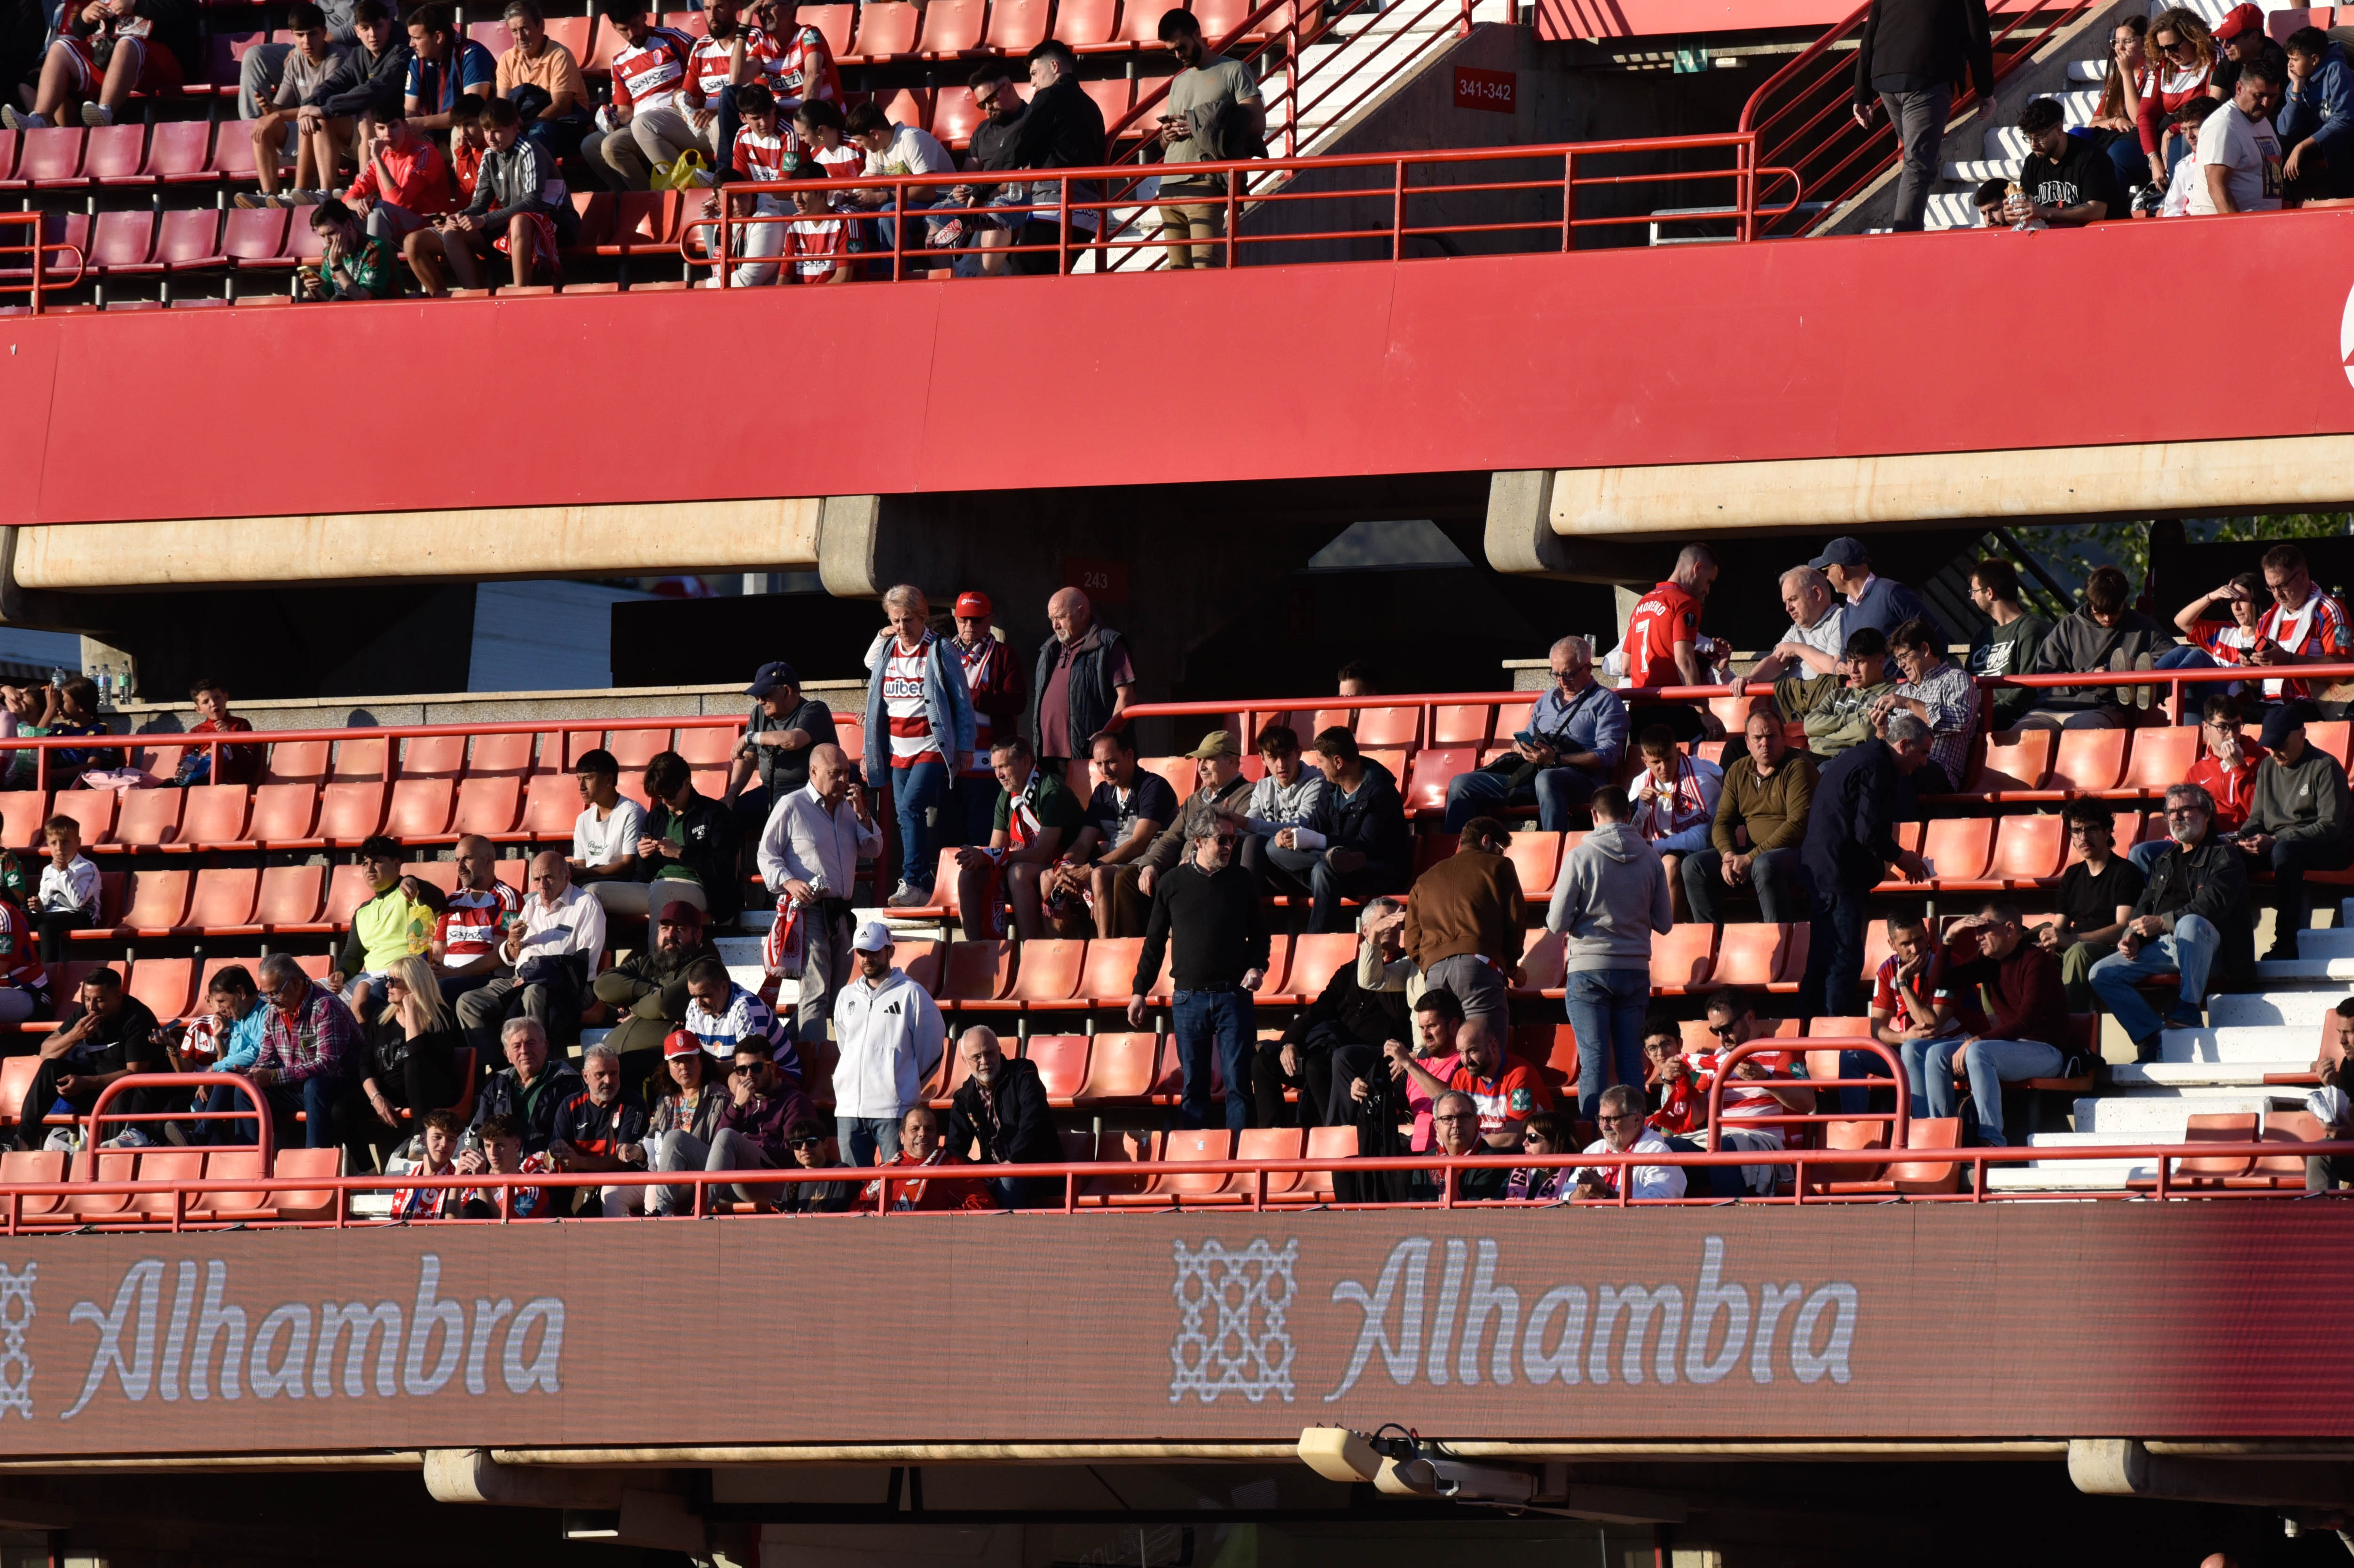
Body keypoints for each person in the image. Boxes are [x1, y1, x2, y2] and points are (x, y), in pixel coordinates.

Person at [2090, 782, 2254, 1058]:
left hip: (2213, 951)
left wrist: (2163, 922)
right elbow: (2142, 908)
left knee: (2190, 922)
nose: (2176, 816)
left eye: (2186, 810)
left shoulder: (2224, 855)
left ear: (2206, 814)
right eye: (2171, 811)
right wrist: (2131, 936)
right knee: (2101, 974)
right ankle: (2153, 1037)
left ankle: (2189, 1009)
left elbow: (2210, 906)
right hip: (2165, 947)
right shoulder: (2165, 860)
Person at [1130, 809, 1268, 1132]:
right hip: (1188, 1000)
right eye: (1222, 839)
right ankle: (1196, 1164)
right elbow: (1154, 944)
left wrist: (1257, 967)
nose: (1229, 846)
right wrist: (1140, 991)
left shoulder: (1241, 880)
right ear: (1198, 841)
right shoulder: (1172, 883)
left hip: (1233, 996)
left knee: (1239, 1086)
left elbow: (1261, 935)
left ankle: (1241, 1159)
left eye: (1233, 839)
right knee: (1194, 1088)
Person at [1796, 712, 1934, 1019]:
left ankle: (1806, 1042)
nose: (1924, 762)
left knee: (1821, 958)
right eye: (1922, 752)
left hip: (1824, 870)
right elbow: (1868, 832)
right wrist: (1902, 857)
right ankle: (1834, 1038)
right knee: (1842, 959)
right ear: (1903, 744)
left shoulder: (1861, 756)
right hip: (1838, 876)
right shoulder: (1878, 767)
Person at [1547, 785, 1671, 1121]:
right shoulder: (1651, 858)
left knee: (1595, 1061)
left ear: (1593, 815)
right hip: (1634, 969)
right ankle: (1637, 1137)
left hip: (1589, 968)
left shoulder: (1580, 856)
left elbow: (1556, 922)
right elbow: (1665, 923)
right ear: (1628, 815)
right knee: (1632, 1059)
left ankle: (1592, 1138)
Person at [1909, 905, 2072, 1146]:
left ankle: (1992, 1140)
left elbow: (2025, 1023)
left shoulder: (2036, 960)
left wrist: (1976, 1040)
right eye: (1976, 931)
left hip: (2048, 1051)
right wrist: (1950, 935)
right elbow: (1940, 981)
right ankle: (1941, 1139)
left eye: (1984, 930)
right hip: (2008, 1047)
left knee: (1978, 1051)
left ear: (2009, 930)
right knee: (1935, 1053)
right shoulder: (1989, 961)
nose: (1978, 937)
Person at [757, 742, 881, 1044]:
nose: (842, 780)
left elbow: (874, 849)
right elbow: (765, 854)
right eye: (834, 773)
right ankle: (811, 1069)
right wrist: (788, 882)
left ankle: (781, 1050)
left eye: (846, 773)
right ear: (814, 772)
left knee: (837, 996)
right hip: (807, 911)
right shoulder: (792, 805)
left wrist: (863, 814)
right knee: (816, 994)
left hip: (841, 912)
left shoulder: (851, 809)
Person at [861, 585, 976, 909]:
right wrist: (886, 630)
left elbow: (961, 702)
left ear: (923, 617)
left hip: (931, 745)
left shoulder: (940, 649)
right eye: (896, 620)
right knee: (903, 814)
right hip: (898, 748)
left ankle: (912, 880)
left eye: (908, 620)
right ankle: (923, 881)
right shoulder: (887, 648)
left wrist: (964, 747)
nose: (902, 627)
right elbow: (869, 661)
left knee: (911, 808)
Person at [1252, 897, 1410, 1129]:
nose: (1391, 928)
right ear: (1366, 930)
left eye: (1396, 924)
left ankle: (1334, 1137)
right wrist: (1289, 1043)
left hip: (1370, 1058)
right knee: (1263, 1061)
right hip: (1334, 1050)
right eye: (1384, 922)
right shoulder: (1348, 972)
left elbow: (1399, 1016)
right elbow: (1318, 1010)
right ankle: (1274, 1137)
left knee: (1319, 1067)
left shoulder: (1408, 967)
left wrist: (1379, 969)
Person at [1442, 635, 1627, 831]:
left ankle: (1553, 848)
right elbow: (1525, 737)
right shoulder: (1546, 700)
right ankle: (1457, 857)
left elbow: (1609, 755)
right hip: (1532, 773)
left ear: (1588, 669)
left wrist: (1557, 759)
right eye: (1556, 675)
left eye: (1569, 674)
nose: (1562, 682)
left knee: (1547, 779)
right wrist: (1522, 748)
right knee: (1461, 784)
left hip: (1580, 779)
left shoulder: (1606, 702)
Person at [1849, 0, 1993, 229]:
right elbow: (1977, 33)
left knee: (1918, 156)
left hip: (1887, 79)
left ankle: (1909, 225)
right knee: (1918, 165)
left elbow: (1870, 34)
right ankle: (1904, 239)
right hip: (1927, 78)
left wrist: (1862, 95)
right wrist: (1985, 90)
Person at [454, 850, 604, 1061]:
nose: (542, 886)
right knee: (469, 1002)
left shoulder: (585, 905)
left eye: (549, 877)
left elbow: (583, 964)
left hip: (565, 984)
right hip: (521, 978)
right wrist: (513, 941)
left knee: (534, 992)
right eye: (536, 879)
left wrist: (536, 975)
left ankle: (537, 1066)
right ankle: (503, 1070)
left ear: (567, 876)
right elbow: (513, 956)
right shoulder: (532, 904)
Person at [404, 94, 562, 293]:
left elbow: (532, 203)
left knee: (520, 221)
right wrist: (461, 216)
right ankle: (477, 297)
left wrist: (484, 220)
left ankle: (521, 295)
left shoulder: (529, 149)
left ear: (514, 127)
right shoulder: (490, 155)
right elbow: (479, 202)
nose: (490, 138)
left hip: (553, 224)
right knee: (453, 232)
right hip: (507, 225)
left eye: (497, 132)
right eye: (487, 131)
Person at [2234, 699, 2353, 959]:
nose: (2275, 754)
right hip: (2281, 844)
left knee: (2284, 853)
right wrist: (2244, 838)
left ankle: (2286, 943)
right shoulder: (2268, 767)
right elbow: (2257, 817)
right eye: (2270, 747)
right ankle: (2233, 949)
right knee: (2229, 858)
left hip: (2327, 847)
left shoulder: (2325, 767)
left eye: (2282, 746)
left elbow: (2329, 826)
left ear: (2302, 735)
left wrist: (2275, 839)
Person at [1106, 732, 1251, 938]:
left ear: (1233, 761)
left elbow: (1231, 842)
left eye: (1209, 760)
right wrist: (1151, 865)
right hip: (1180, 872)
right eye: (1200, 760)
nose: (1201, 766)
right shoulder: (1195, 800)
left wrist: (1195, 861)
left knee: (1183, 880)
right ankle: (1131, 950)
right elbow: (1171, 838)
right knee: (1128, 878)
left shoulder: (1249, 795)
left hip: (1214, 875)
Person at [1150, 7, 1262, 267]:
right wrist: (1167, 135)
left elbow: (1255, 124)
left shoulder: (1234, 70)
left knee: (1206, 272)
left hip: (1205, 184)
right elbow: (1166, 144)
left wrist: (1200, 125)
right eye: (1172, 51)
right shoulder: (1179, 82)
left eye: (1182, 47)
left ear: (1198, 35)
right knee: (1177, 278)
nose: (1179, 55)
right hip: (1169, 186)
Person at [1684, 709, 1815, 928]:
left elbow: (1797, 825)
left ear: (1783, 738)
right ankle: (1712, 944)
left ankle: (1778, 941)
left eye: (1771, 736)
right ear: (1747, 742)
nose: (1765, 743)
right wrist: (1728, 856)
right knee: (1693, 865)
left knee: (1764, 865)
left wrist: (1751, 858)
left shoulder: (1798, 768)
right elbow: (1722, 821)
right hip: (1755, 854)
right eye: (1758, 738)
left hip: (1799, 854)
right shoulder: (1738, 771)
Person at [11, 967, 166, 1151]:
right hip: (94, 1086)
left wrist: (86, 1082)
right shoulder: (84, 1014)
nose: (92, 1007)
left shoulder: (137, 1018)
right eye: (87, 999)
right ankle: (22, 1140)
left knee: (121, 1088)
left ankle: (111, 1152)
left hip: (132, 1095)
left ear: (118, 996)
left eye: (100, 1000)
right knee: (51, 1067)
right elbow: (46, 1053)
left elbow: (134, 1074)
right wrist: (75, 1035)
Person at [831, 919, 945, 1167]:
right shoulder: (846, 996)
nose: (867, 958)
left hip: (894, 1112)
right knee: (854, 1191)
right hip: (849, 1110)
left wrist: (902, 1085)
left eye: (874, 951)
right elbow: (847, 1047)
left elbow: (933, 1051)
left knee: (894, 1186)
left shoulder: (911, 994)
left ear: (890, 951)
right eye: (861, 952)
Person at [331, 953, 461, 1172]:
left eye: (394, 981)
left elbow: (418, 1057)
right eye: (386, 980)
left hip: (430, 1090)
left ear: (414, 984)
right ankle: (368, 1170)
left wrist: (411, 1011)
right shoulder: (382, 1016)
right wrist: (376, 1097)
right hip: (390, 1091)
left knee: (413, 1066)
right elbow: (366, 1062)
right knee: (340, 1110)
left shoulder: (441, 1017)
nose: (387, 986)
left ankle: (420, 1134)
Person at [1044, 728, 1175, 937]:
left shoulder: (1153, 786)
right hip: (1113, 863)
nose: (1105, 770)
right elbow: (1083, 844)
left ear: (1130, 756)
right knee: (1049, 877)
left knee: (1099, 874)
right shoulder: (1102, 792)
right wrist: (1066, 866)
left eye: (1111, 761)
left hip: (1145, 863)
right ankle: (1064, 953)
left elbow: (1139, 844)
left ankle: (1103, 946)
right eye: (1099, 764)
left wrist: (1091, 867)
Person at [955, 735, 1083, 940]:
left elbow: (1043, 854)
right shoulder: (1007, 794)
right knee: (970, 873)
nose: (999, 775)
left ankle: (1030, 949)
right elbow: (996, 846)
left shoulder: (1052, 792)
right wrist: (978, 857)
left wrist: (989, 856)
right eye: (995, 768)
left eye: (1004, 766)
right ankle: (979, 950)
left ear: (1025, 762)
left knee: (1018, 873)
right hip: (1030, 864)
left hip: (1060, 866)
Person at [1403, 816, 1523, 1031]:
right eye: (1500, 849)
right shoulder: (1500, 865)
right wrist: (1512, 967)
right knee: (1486, 1049)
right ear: (1486, 841)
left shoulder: (1424, 879)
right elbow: (1515, 919)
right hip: (1478, 964)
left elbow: (1412, 942)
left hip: (1434, 972)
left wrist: (1432, 961)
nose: (1502, 854)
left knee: (1446, 1053)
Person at [665, 1037, 812, 1212]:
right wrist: (737, 1107)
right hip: (733, 1181)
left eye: (756, 1068)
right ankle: (661, 1213)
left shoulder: (794, 1100)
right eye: (742, 1070)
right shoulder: (741, 1098)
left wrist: (747, 1145)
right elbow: (716, 1145)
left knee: (729, 1137)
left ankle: (700, 1212)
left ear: (771, 1068)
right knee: (675, 1138)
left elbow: (794, 1154)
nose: (749, 1075)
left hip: (773, 1182)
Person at [2019, 566, 2173, 731]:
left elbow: (2173, 658)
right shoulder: (2068, 627)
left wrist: (2133, 670)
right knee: (2020, 737)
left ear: (2124, 602)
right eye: (2100, 612)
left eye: (2114, 611)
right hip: (2048, 709)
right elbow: (2045, 679)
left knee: (2086, 735)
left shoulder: (2144, 627)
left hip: (2101, 709)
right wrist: (2089, 678)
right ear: (2090, 603)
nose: (2107, 618)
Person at [1695, 988, 1816, 1195]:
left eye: (1728, 1028)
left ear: (1750, 1018)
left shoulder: (1782, 1051)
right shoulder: (1718, 1057)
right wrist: (1671, 1081)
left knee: (1723, 1149)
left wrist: (1767, 1080)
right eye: (1716, 1031)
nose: (1723, 1038)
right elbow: (1697, 1115)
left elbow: (1808, 1103)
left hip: (1771, 1153)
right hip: (1724, 1144)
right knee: (1670, 1148)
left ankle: (1735, 1222)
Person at [6, 0, 193, 131]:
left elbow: (181, 10)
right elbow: (82, 32)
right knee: (60, 49)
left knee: (127, 44)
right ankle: (40, 119)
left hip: (162, 64)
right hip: (114, 61)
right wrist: (85, 19)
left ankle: (105, 112)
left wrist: (137, 4)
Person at [1001, 38, 1106, 272]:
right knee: (1051, 279)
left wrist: (981, 189)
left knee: (1023, 274)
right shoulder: (1093, 107)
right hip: (1088, 215)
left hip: (1055, 207)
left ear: (1054, 67)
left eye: (1035, 73)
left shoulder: (1048, 97)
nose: (1033, 82)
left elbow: (1018, 145)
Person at [591, 900, 719, 1086]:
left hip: (662, 1059)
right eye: (664, 928)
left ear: (697, 935)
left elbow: (665, 1004)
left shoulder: (705, 967)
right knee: (566, 1073)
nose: (670, 935)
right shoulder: (649, 963)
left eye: (680, 929)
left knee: (611, 1072)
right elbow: (602, 985)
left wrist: (631, 1004)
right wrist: (650, 990)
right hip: (615, 1057)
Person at [248, 951, 362, 1151]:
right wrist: (254, 1075)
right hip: (299, 1085)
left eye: (275, 993)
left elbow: (327, 1064)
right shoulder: (273, 1012)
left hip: (343, 1085)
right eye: (266, 995)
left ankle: (316, 1160)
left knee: (315, 1087)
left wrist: (274, 1076)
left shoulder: (326, 1006)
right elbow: (266, 1058)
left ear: (294, 984)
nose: (271, 1001)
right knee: (247, 1091)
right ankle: (251, 1160)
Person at [2140, 695, 2266, 874]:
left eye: (2237, 726)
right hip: (2203, 839)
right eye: (2223, 727)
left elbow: (2261, 813)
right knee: (2142, 853)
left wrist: (2240, 770)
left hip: (2244, 840)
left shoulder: (2262, 760)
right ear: (2206, 727)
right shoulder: (2197, 771)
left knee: (2212, 856)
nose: (2232, 735)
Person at [580, 0, 697, 191]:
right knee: (593, 145)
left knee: (643, 123)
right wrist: (610, 118)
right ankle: (641, 200)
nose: (632, 34)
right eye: (624, 29)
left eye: (635, 25)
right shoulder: (619, 62)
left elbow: (706, 60)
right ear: (614, 28)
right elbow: (626, 112)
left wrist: (689, 92)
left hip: (678, 119)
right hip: (640, 124)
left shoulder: (672, 39)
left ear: (644, 16)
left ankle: (683, 191)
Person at [1617, 544, 1728, 744]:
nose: (1707, 590)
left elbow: (1626, 666)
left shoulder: (1642, 604)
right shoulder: (1685, 602)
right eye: (1709, 581)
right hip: (1672, 708)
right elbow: (1684, 660)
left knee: (1648, 771)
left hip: (1639, 708)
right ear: (1697, 568)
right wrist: (1704, 712)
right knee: (1707, 753)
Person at [1390, 1011, 1550, 1149]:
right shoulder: (1462, 1077)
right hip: (1480, 1155)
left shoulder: (1520, 1074)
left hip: (1520, 1158)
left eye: (1473, 1051)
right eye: (1460, 1052)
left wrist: (1466, 1144)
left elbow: (1515, 1136)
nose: (1466, 1060)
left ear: (1493, 1046)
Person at [2040, 803, 2145, 1011]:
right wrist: (2050, 940)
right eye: (2077, 831)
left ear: (2107, 832)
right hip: (2073, 944)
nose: (2083, 838)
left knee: (2079, 952)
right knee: (2010, 949)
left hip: (2108, 949)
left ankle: (2073, 1029)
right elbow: (2060, 924)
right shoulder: (2072, 875)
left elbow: (2123, 927)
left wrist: (2074, 939)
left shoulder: (2125, 872)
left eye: (2091, 829)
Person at [1337, 988, 1463, 1159]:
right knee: (1346, 1170)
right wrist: (1363, 1090)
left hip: (1444, 1154)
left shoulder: (1465, 1063)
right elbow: (1384, 1105)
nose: (1426, 1035)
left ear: (1454, 1025)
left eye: (1432, 1026)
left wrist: (1408, 1063)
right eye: (1422, 1027)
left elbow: (1453, 1100)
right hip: (1413, 1154)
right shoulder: (1417, 1066)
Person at [946, 1025, 1061, 1208]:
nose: (984, 1061)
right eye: (976, 1057)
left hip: (1036, 1169)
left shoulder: (1024, 1073)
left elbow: (1034, 1122)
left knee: (1007, 1180)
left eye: (990, 1053)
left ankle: (1006, 1236)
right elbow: (954, 1147)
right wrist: (976, 1172)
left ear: (999, 1052)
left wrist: (1011, 1163)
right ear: (965, 1061)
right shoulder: (964, 1098)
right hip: (994, 1173)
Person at [941, 592, 1022, 845]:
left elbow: (1017, 702)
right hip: (950, 765)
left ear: (990, 620)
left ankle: (988, 885)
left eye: (976, 621)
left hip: (989, 767)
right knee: (949, 838)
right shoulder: (943, 652)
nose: (969, 627)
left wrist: (969, 696)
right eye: (964, 620)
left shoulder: (1004, 655)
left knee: (984, 837)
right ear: (956, 619)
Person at [328, 835, 441, 1015]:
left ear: (397, 865)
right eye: (365, 864)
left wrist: (412, 880)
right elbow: (353, 955)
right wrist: (341, 973)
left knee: (363, 992)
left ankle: (364, 1044)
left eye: (377, 862)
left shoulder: (414, 892)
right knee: (315, 992)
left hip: (402, 974)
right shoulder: (362, 911)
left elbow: (439, 900)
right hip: (369, 976)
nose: (370, 869)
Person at [726, 660, 837, 842]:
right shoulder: (759, 713)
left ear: (786, 691)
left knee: (784, 815)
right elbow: (748, 757)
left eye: (765, 695)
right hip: (768, 790)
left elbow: (793, 740)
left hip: (806, 792)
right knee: (722, 819)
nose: (760, 701)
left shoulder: (815, 710)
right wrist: (732, 794)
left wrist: (749, 737)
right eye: (757, 696)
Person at [1031, 587, 1137, 777]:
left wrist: (1106, 738)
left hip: (1089, 757)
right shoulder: (1050, 649)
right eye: (1052, 619)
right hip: (1049, 759)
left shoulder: (1108, 644)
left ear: (1082, 613)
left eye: (1061, 617)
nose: (1056, 626)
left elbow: (1126, 696)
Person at [843, 98, 957, 266]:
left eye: (860, 140)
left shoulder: (912, 139)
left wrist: (884, 197)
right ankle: (871, 279)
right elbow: (871, 187)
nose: (859, 145)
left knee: (889, 213)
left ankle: (896, 278)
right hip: (903, 204)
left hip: (941, 201)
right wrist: (852, 197)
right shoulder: (875, 148)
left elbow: (927, 191)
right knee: (855, 218)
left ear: (875, 134)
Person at [1626, 724, 1723, 917]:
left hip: (1700, 852)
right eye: (1656, 763)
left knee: (1670, 863)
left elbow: (1701, 838)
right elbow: (1627, 835)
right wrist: (1642, 808)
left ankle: (1671, 933)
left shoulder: (1701, 780)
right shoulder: (1640, 783)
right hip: (1656, 846)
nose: (1664, 768)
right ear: (1645, 761)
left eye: (1669, 759)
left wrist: (1655, 846)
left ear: (1678, 753)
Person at [633, 749, 739, 924]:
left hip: (704, 890)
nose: (666, 801)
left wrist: (680, 853)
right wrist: (643, 857)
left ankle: (657, 951)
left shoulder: (715, 814)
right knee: (594, 891)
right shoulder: (655, 817)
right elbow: (645, 877)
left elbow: (724, 870)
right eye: (660, 797)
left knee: (661, 890)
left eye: (670, 795)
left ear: (687, 783)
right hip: (656, 887)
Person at [1873, 615, 1980, 786]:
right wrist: (1882, 730)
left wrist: (1910, 704)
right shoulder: (1904, 691)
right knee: (1858, 766)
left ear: (1925, 649)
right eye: (1897, 659)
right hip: (1903, 766)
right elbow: (1891, 745)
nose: (1900, 665)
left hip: (1939, 771)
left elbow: (1961, 721)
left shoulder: (1956, 678)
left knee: (1891, 774)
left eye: (1903, 657)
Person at [545, 1043, 651, 1216]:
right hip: (576, 1187)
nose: (608, 1081)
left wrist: (578, 1162)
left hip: (619, 1186)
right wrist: (553, 1154)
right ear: (586, 1077)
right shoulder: (569, 1106)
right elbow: (552, 1156)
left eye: (613, 1073)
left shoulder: (633, 1104)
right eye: (600, 1075)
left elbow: (622, 1161)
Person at [1873, 914, 1967, 1106]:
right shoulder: (1887, 969)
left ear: (1927, 933)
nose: (1915, 949)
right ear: (1892, 945)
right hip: (1912, 1046)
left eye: (1919, 940)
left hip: (1956, 1043)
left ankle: (1921, 1126)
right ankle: (1856, 1128)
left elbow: (1932, 1026)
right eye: (1906, 943)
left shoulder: (1948, 964)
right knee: (1852, 1057)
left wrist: (1902, 983)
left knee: (1912, 1048)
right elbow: (1876, 1028)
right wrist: (1903, 1037)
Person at [337, 102, 455, 249]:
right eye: (381, 128)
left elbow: (399, 203)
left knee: (378, 209)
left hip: (428, 226)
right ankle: (341, 269)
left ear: (405, 126)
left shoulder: (425, 153)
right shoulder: (380, 157)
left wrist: (378, 160)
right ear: (376, 131)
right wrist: (358, 205)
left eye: (393, 126)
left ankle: (376, 267)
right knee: (337, 217)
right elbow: (350, 195)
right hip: (394, 227)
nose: (387, 134)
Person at [2248, 544, 2353, 705]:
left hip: (2310, 704)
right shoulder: (2266, 620)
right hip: (2268, 704)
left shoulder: (2330, 611)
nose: (2277, 594)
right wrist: (2249, 667)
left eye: (2282, 585)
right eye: (2271, 587)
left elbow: (2343, 669)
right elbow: (2255, 683)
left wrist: (2289, 660)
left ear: (2303, 576)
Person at [463, 1016, 582, 1154]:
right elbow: (477, 1131)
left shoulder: (569, 1083)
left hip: (547, 1169)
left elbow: (577, 1134)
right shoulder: (498, 1085)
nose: (524, 1051)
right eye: (517, 1046)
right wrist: (470, 1158)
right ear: (507, 1055)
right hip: (502, 1170)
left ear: (545, 1047)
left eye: (530, 1043)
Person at [1774, 628, 1896, 761]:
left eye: (1860, 662)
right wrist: (1855, 718)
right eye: (1850, 661)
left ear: (1880, 661)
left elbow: (1866, 730)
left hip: (1847, 761)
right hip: (1813, 759)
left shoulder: (1891, 695)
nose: (1853, 670)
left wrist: (1824, 734)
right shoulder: (1837, 694)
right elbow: (1809, 726)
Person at [1237, 722, 1328, 898]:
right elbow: (1248, 825)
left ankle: (1244, 916)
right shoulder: (1263, 787)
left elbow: (1300, 828)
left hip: (1302, 869)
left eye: (1286, 756)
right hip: (1270, 868)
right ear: (1263, 759)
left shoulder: (1316, 783)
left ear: (1299, 753)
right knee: (1234, 843)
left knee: (1255, 842)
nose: (1281, 765)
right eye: (1273, 757)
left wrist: (1245, 823)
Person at [2000, 96, 2123, 225]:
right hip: (2056, 239)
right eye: (2029, 138)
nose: (2033, 145)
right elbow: (2027, 206)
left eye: (2039, 138)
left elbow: (2097, 211)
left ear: (2059, 129)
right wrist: (2014, 214)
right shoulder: (2033, 162)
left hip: (2104, 238)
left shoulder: (2091, 157)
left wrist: (2044, 212)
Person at [493, 0, 590, 160]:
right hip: (523, 124)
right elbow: (502, 105)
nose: (520, 37)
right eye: (514, 31)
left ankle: (537, 184)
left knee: (539, 131)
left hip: (566, 125)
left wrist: (523, 126)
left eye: (525, 28)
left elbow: (562, 106)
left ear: (541, 26)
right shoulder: (507, 59)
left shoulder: (560, 55)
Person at [429, 834, 521, 1003]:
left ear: (488, 861)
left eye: (467, 859)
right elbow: (437, 953)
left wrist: (455, 973)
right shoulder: (452, 901)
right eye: (457, 860)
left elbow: (501, 955)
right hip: (449, 977)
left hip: (486, 981)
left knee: (442, 990)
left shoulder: (507, 897)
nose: (460, 867)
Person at [643, 1029, 726, 1215]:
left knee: (674, 1139)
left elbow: (720, 1149)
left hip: (700, 1172)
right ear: (668, 1067)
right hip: (662, 1173)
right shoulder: (666, 1100)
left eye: (690, 1060)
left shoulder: (719, 1097)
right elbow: (652, 1137)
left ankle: (660, 1220)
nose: (684, 1067)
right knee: (612, 1190)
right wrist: (637, 1151)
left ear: (702, 1062)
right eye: (677, 1061)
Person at [1808, 537, 1946, 649]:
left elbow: (1936, 636)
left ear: (1840, 570)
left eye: (1826, 570)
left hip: (1901, 684)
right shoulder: (1846, 614)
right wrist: (1842, 666)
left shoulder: (1891, 594)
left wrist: (1922, 681)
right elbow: (1847, 659)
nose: (1826, 577)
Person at [2189, 54, 2284, 214]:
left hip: (2261, 226)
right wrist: (2237, 231)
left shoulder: (2260, 119)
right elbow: (2216, 186)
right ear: (2239, 89)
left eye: (2272, 96)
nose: (2266, 104)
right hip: (2227, 231)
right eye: (2259, 96)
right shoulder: (2224, 125)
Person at [1967, 558, 2054, 731]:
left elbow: (2027, 691)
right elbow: (1966, 685)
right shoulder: (1981, 635)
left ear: (1989, 593)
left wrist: (1987, 715)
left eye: (1974, 590)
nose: (1972, 597)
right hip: (1973, 718)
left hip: (2009, 720)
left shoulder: (2030, 630)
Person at [1728, 566, 1847, 693]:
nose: (1788, 608)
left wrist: (1797, 649)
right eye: (1786, 602)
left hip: (1828, 706)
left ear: (1817, 594)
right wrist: (1751, 678)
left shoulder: (1841, 619)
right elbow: (1777, 660)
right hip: (1797, 705)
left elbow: (1835, 669)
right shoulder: (1796, 630)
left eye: (1793, 599)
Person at [184, 965, 266, 1145]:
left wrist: (214, 1068)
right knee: (200, 1103)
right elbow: (232, 1057)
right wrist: (213, 1076)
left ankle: (200, 1137)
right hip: (244, 1083)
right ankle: (218, 1156)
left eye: (222, 1001)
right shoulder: (237, 1018)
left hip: (270, 1080)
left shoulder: (267, 1012)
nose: (219, 1009)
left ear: (241, 992)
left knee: (232, 1081)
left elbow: (257, 1052)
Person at [680, 955, 799, 1077]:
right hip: (731, 1073)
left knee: (735, 1080)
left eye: (705, 995)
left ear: (724, 987)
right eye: (694, 996)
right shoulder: (695, 1007)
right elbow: (692, 1053)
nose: (699, 1002)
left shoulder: (747, 1007)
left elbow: (751, 1065)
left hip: (780, 1076)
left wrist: (707, 1068)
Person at [1573, 1084, 1686, 1201]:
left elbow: (1658, 1206)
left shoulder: (1659, 1154)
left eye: (1611, 1119)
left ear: (1637, 1120)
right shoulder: (1594, 1150)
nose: (1604, 1127)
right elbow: (1564, 1196)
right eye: (1601, 1119)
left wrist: (1607, 1194)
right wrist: (1580, 1194)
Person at [871, 1105, 997, 1210]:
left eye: (929, 1129)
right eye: (915, 1129)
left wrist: (941, 1223)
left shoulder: (953, 1168)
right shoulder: (883, 1169)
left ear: (938, 1136)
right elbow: (860, 1208)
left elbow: (984, 1204)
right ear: (902, 1136)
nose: (922, 1134)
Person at [569, 747, 650, 911]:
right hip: (588, 881)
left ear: (609, 780)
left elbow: (628, 866)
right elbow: (580, 864)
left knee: (590, 893)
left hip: (623, 884)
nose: (581, 786)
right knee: (531, 898)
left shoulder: (631, 812)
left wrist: (583, 873)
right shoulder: (583, 819)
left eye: (588, 778)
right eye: (579, 779)